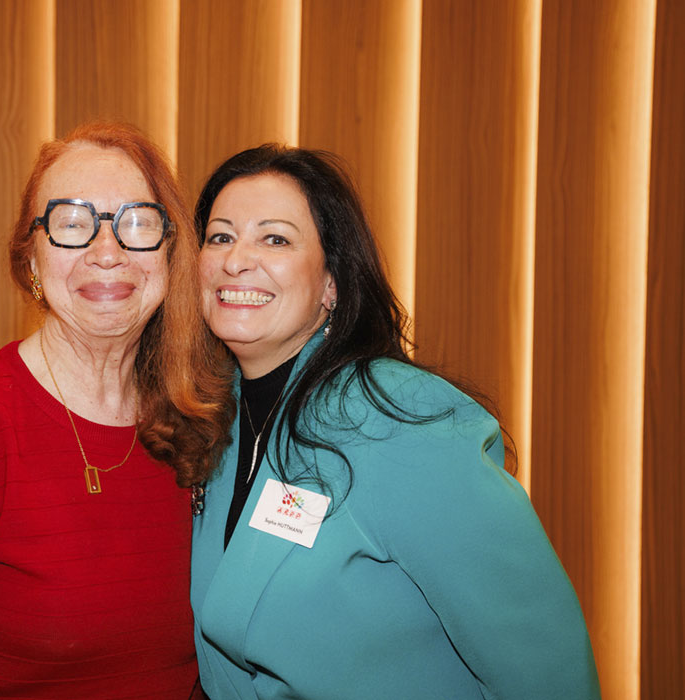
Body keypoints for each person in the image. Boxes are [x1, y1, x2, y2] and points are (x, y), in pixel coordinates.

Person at [190, 144, 600, 699]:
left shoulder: (400, 417)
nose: (236, 260)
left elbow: (541, 658)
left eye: (276, 239)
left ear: (332, 283)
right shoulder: (211, 421)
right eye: (220, 237)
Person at [0, 121, 231, 699]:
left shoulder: (203, 415)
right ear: (31, 258)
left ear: (172, 254)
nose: (107, 253)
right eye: (71, 223)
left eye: (137, 222)